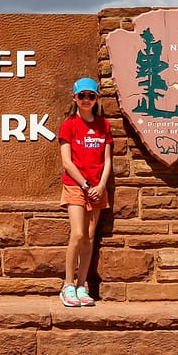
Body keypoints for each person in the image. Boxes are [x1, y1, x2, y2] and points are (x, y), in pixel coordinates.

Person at [58, 77, 113, 307]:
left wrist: (100, 185)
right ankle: (68, 285)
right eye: (82, 96)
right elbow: (67, 162)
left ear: (96, 98)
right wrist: (86, 185)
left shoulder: (103, 125)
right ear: (75, 98)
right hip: (75, 185)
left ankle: (82, 286)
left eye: (91, 96)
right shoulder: (69, 124)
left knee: (90, 237)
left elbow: (107, 159)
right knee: (78, 234)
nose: (86, 100)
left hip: (97, 187)